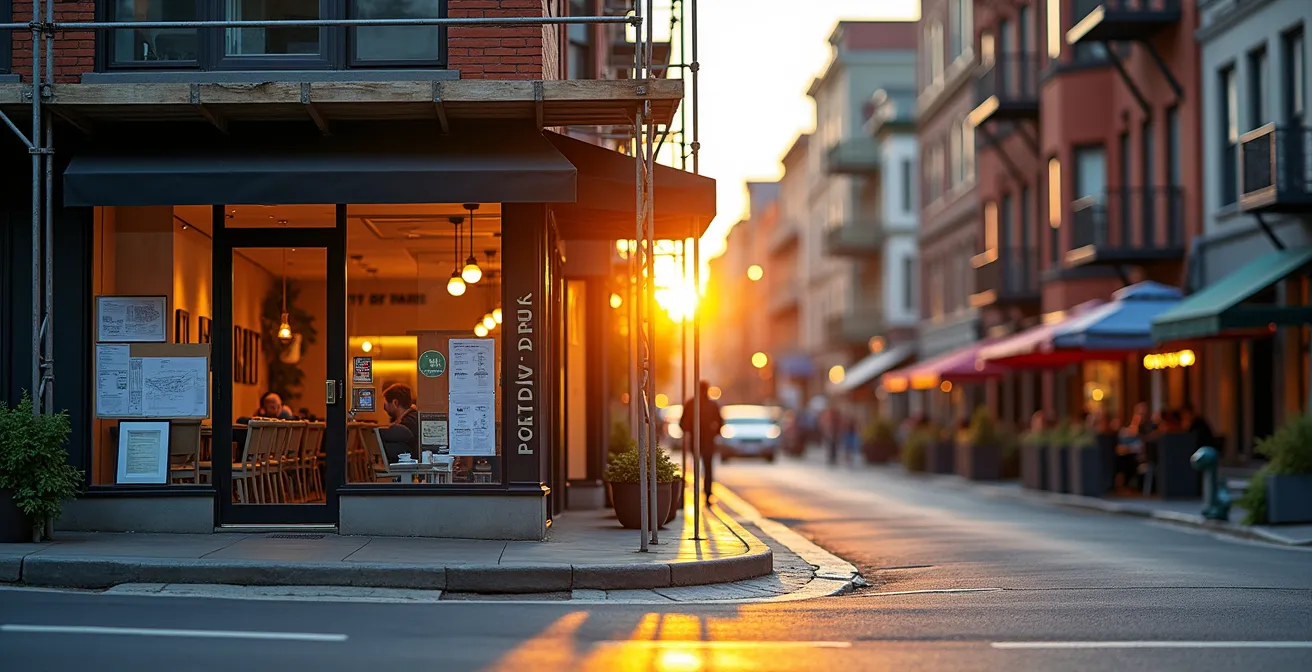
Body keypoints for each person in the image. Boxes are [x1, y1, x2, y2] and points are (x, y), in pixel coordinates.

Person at [681, 381, 723, 499]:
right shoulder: (709, 405)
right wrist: (714, 432)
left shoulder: (692, 404)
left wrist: (689, 430)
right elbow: (720, 422)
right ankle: (706, 491)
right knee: (706, 467)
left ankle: (702, 491)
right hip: (704, 439)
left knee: (699, 466)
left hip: (701, 439)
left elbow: (683, 423)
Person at [378, 384, 420, 464]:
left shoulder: (409, 421)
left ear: (395, 403)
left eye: (385, 404)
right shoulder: (413, 417)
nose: (384, 408)